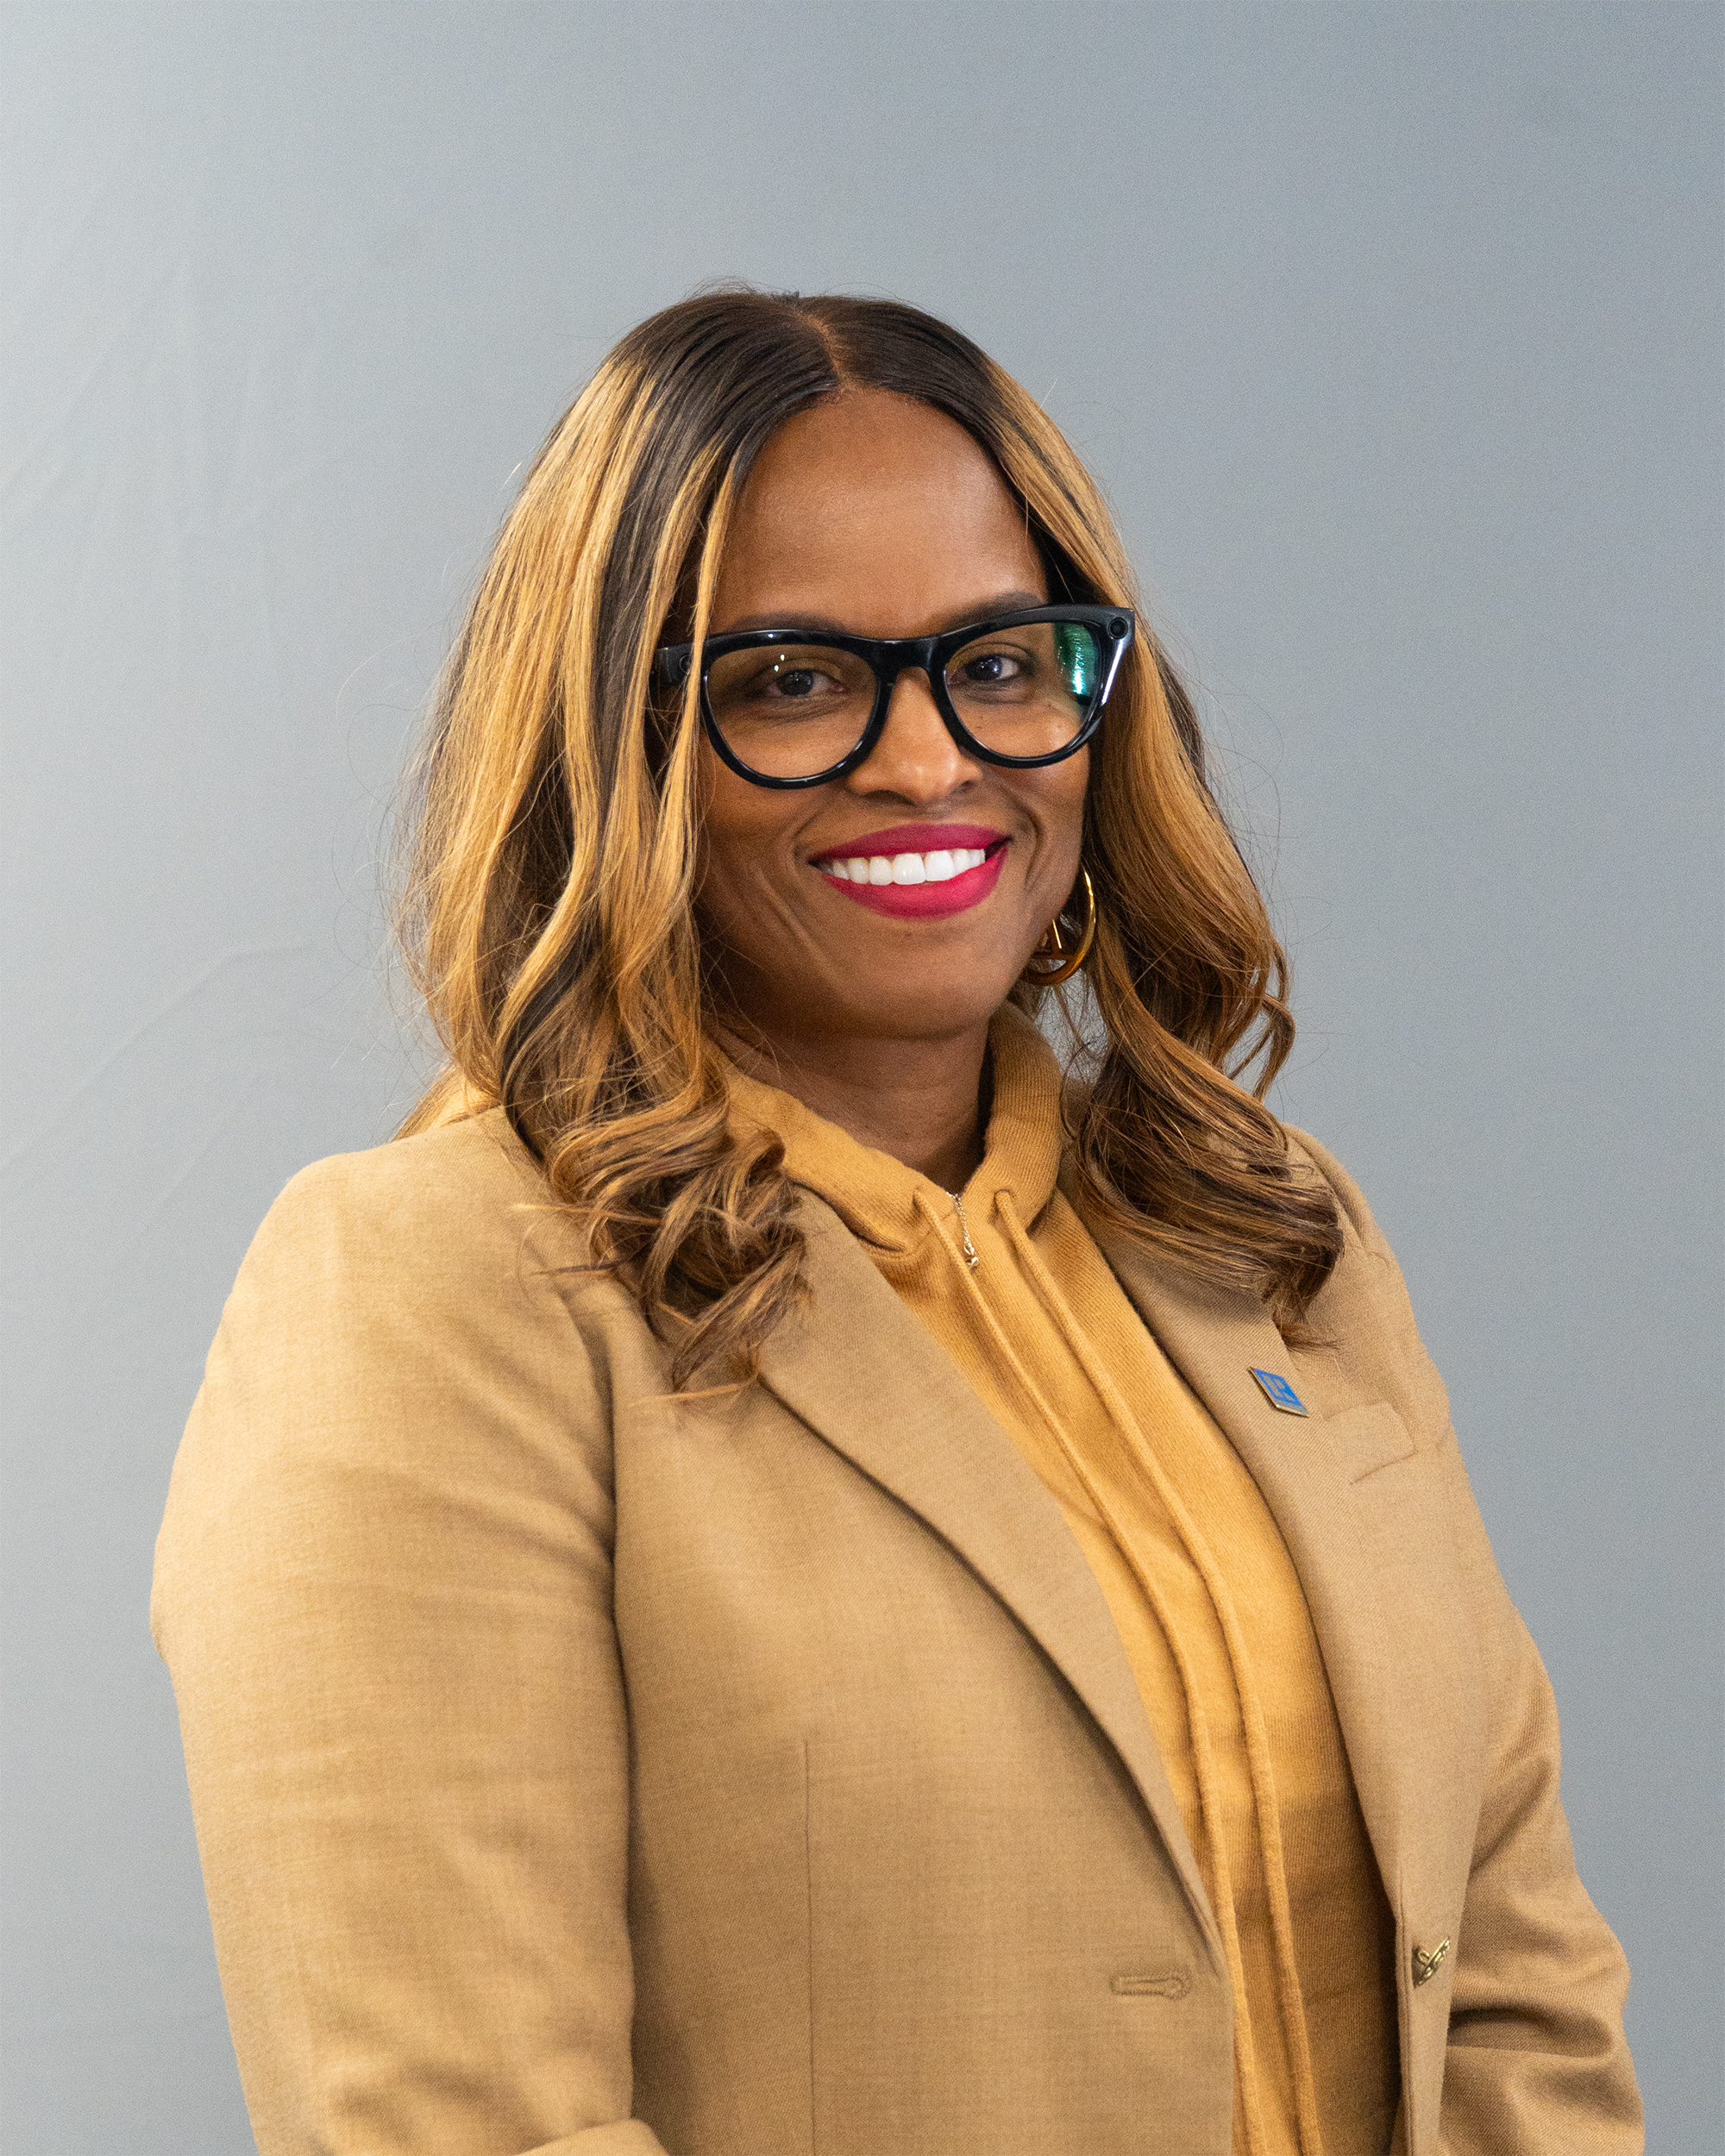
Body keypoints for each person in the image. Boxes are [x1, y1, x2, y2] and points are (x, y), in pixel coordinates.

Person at [151, 290, 1641, 2156]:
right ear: (613, 739)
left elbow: (1511, 1977)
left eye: (999, 663)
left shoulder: (1265, 1232)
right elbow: (464, 2123)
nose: (930, 765)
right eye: (790, 681)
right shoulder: (430, 1289)